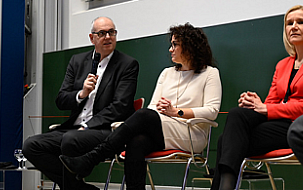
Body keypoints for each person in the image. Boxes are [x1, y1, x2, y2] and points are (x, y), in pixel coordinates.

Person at [60, 23, 222, 190]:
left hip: (191, 134)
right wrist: (162, 111)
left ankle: (92, 158)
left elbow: (211, 111)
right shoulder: (167, 73)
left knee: (145, 116)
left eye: (175, 44)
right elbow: (152, 108)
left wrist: (176, 112)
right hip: (162, 131)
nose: (170, 49)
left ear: (189, 46)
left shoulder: (209, 73)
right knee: (136, 142)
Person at [210, 5, 303, 190]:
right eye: (289, 23)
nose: (293, 26)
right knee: (236, 117)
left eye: (300, 22)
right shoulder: (282, 65)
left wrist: (266, 108)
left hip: (301, 126)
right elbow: (271, 103)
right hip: (276, 122)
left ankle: (225, 187)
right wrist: (257, 104)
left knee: (227, 140)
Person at [22, 16, 139, 190]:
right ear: (92, 38)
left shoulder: (127, 64)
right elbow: (61, 100)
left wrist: (88, 126)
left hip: (105, 130)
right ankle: (79, 187)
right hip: (73, 129)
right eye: (102, 33)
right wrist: (82, 93)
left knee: (71, 139)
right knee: (31, 146)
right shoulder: (77, 62)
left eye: (111, 32)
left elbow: (120, 106)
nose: (108, 37)